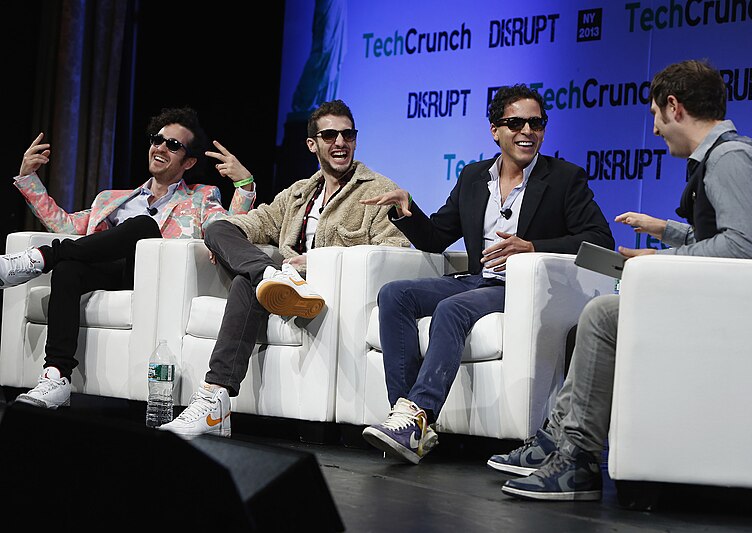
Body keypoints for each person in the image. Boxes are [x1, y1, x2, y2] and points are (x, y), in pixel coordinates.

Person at [492, 59, 752, 501]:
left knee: (601, 314)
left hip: (747, 319)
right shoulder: (724, 157)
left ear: (673, 106)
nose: (654, 129)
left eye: (655, 114)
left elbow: (745, 249)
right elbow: (728, 237)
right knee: (598, 316)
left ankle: (576, 457)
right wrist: (665, 234)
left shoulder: (731, 159)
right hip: (734, 304)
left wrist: (659, 264)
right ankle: (559, 440)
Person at [359, 84, 615, 465]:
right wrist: (405, 210)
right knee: (395, 294)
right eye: (516, 123)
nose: (527, 131)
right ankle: (409, 419)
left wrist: (532, 247)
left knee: (453, 308)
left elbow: (599, 240)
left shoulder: (564, 178)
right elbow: (438, 237)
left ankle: (419, 414)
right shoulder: (475, 176)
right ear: (495, 130)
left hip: (521, 286)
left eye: (536, 123)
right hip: (477, 279)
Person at [160, 99, 409, 439]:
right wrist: (232, 243)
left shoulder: (377, 191)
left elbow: (394, 249)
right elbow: (254, 223)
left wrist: (318, 261)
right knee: (219, 230)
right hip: (282, 280)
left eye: (348, 135)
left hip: (324, 286)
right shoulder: (298, 194)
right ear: (312, 144)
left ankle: (214, 397)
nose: (340, 143)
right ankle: (265, 277)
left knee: (246, 284)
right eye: (330, 135)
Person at [0, 106, 257, 409]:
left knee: (143, 226)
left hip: (153, 279)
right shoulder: (112, 199)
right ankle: (57, 376)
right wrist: (30, 179)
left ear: (188, 162)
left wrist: (244, 186)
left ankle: (40, 258)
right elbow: (66, 227)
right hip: (112, 273)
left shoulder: (202, 197)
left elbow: (226, 231)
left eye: (173, 145)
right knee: (68, 268)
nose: (160, 148)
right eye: (157, 140)